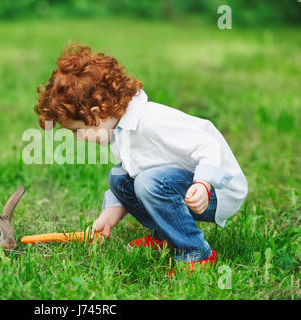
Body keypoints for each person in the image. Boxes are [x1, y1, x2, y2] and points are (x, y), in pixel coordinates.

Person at [34, 43, 248, 274]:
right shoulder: (120, 131)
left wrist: (203, 184)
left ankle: (195, 253)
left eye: (78, 130)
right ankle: (167, 236)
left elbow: (209, 144)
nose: (77, 138)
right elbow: (131, 172)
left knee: (149, 182)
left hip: (217, 189)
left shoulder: (152, 121)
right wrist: (109, 216)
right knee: (119, 177)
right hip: (182, 184)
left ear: (97, 112)